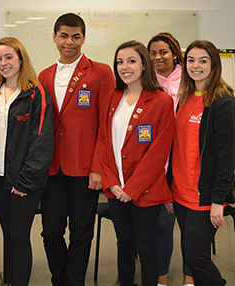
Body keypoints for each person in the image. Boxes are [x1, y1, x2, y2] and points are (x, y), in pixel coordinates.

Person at [37, 12, 114, 285]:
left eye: (76, 36)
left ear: (83, 38)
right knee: (51, 232)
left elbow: (107, 125)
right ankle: (60, 278)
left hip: (85, 169)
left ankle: (74, 281)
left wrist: (98, 168)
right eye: (64, 36)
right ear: (55, 37)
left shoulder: (101, 72)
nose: (70, 42)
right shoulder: (43, 75)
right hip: (52, 167)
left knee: (82, 233)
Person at [98, 40, 175, 286]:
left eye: (131, 61)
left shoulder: (162, 101)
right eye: (120, 62)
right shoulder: (112, 98)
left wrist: (132, 189)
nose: (124, 67)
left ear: (144, 64)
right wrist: (111, 182)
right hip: (116, 190)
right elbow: (104, 143)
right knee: (124, 245)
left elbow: (158, 152)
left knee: (146, 246)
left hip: (145, 191)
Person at [0, 37, 53, 286]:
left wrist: (26, 181)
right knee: (9, 235)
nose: (3, 63)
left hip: (24, 181)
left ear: (21, 58)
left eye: (9, 57)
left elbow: (42, 141)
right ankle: (10, 279)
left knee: (19, 236)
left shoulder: (36, 93)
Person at [170, 40, 235, 286]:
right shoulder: (185, 97)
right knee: (192, 253)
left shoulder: (222, 101)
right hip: (181, 193)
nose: (195, 66)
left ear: (214, 64)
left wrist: (218, 200)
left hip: (204, 196)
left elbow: (227, 156)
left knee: (196, 257)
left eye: (203, 60)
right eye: (191, 60)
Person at [147, 32, 194, 286]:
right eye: (152, 53)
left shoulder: (189, 78)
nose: (157, 57)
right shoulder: (145, 81)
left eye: (163, 52)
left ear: (175, 52)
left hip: (187, 162)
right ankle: (160, 279)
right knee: (162, 226)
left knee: (190, 227)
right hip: (158, 164)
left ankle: (189, 279)